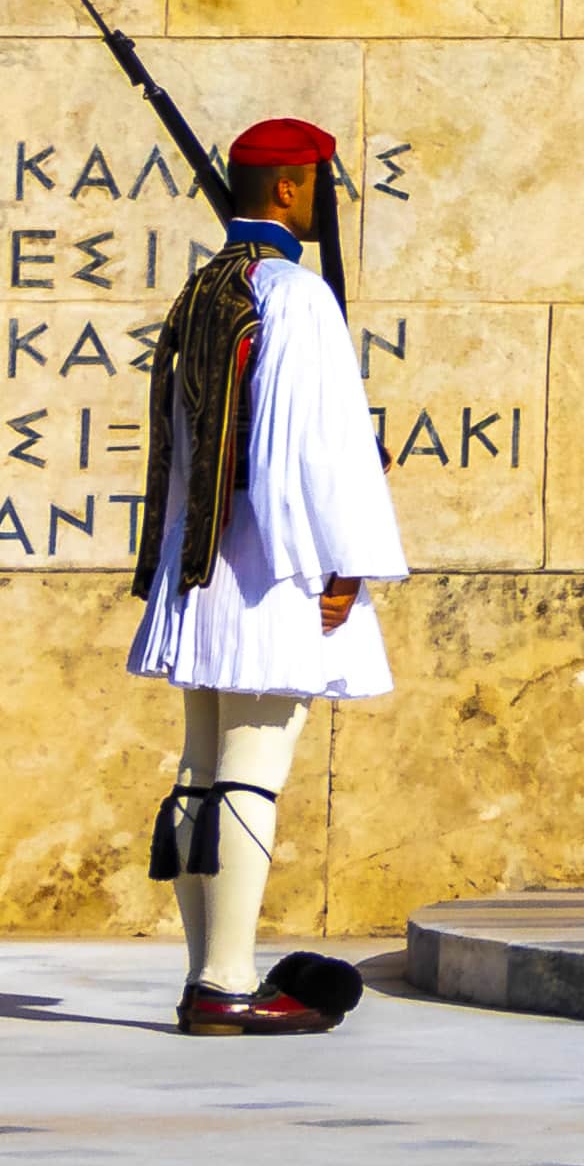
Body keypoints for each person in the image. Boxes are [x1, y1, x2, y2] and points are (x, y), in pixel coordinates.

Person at [127, 115, 404, 1038]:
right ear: (290, 188)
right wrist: (346, 559)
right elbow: (308, 448)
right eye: (324, 182)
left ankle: (208, 976)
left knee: (201, 773)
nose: (331, 200)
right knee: (250, 770)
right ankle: (226, 983)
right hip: (268, 569)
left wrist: (175, 561)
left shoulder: (206, 287)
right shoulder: (294, 295)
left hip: (201, 563)